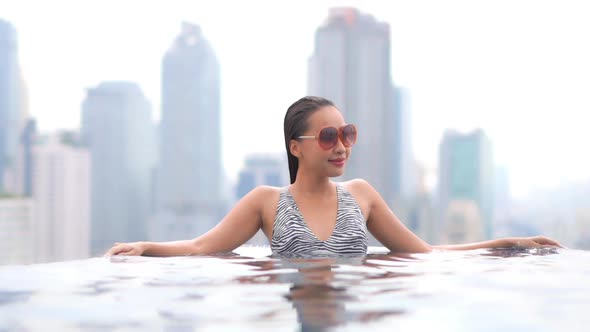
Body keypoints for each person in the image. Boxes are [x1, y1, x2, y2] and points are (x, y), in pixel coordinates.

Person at [106, 96, 561, 257]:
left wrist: (502, 244)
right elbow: (203, 246)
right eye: (327, 136)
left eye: (346, 133)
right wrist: (145, 247)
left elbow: (426, 253)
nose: (341, 144)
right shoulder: (266, 202)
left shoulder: (361, 195)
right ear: (295, 147)